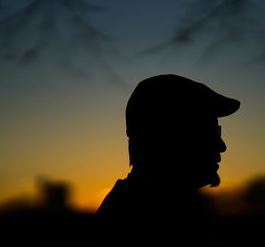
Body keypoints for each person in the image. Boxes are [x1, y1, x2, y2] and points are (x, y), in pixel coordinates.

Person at [95, 74, 240, 246]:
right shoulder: (135, 224)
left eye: (218, 130)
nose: (221, 145)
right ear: (166, 137)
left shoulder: (167, 211)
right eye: (207, 131)